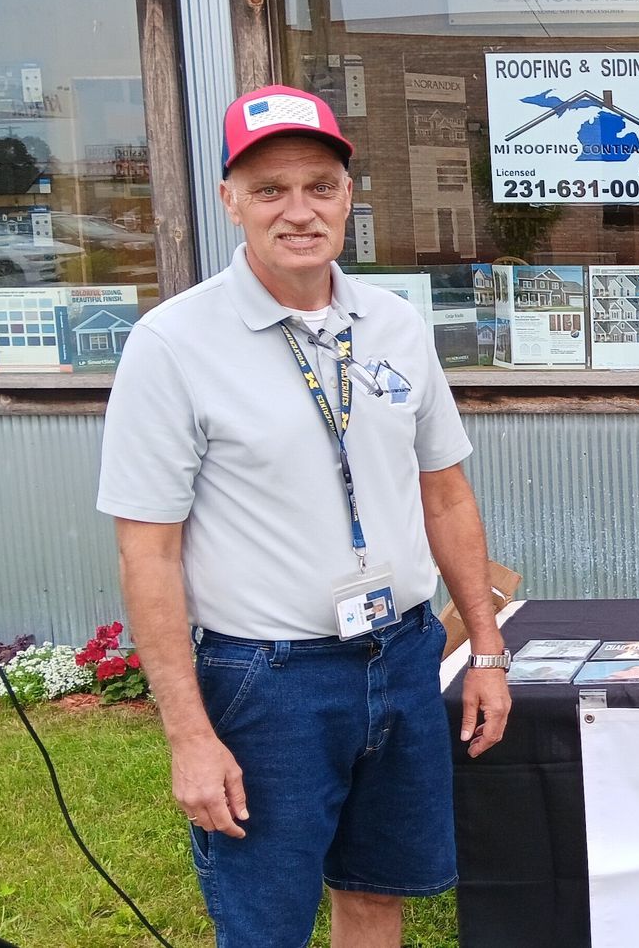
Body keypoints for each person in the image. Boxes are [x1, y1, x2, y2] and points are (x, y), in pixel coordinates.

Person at [97, 85, 512, 948]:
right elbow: (148, 552)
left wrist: (485, 648)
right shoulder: (173, 345)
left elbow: (446, 492)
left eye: (319, 186)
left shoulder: (394, 324)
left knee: (377, 893)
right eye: (270, 189)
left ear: (348, 197)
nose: (298, 211)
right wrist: (189, 736)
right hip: (268, 683)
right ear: (230, 200)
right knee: (265, 926)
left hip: (401, 655)